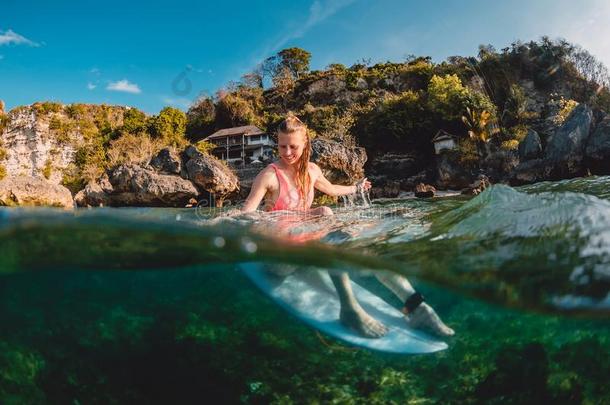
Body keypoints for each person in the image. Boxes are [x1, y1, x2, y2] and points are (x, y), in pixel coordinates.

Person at [242, 113, 454, 338]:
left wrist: (357, 188)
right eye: (282, 146)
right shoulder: (268, 176)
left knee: (350, 235)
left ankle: (416, 305)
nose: (287, 153)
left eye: (293, 147)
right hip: (278, 258)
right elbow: (247, 213)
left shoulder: (312, 171)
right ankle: (349, 309)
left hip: (305, 245)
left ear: (305, 144)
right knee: (328, 226)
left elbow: (332, 189)